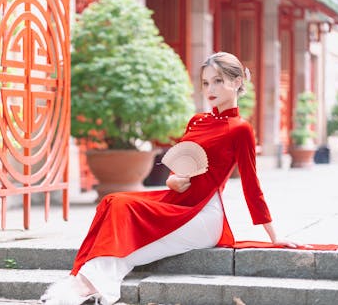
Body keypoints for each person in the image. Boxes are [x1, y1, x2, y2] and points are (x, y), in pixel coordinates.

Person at [40, 52, 298, 305]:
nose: (211, 88)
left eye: (218, 81)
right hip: (176, 201)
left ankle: (82, 286)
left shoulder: (240, 129)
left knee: (124, 214)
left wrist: (274, 237)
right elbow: (180, 166)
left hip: (203, 214)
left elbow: (251, 184)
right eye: (206, 82)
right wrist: (172, 180)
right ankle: (85, 285)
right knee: (114, 201)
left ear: (237, 82)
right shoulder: (197, 121)